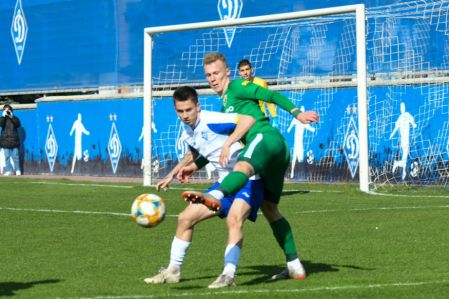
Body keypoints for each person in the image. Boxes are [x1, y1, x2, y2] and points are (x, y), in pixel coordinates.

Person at [183, 52, 319, 282]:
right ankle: (295, 266)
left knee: (243, 168)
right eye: (208, 75)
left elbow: (270, 95)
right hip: (273, 153)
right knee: (270, 208)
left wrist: (298, 114)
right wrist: (194, 166)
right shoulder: (224, 104)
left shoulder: (237, 87)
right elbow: (217, 148)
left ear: (227, 72)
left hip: (265, 138)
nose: (212, 78)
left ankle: (215, 195)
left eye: (216, 73)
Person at [144, 86, 264, 289]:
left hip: (249, 179)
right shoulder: (187, 129)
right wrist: (173, 174)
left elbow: (247, 120)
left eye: (189, 110)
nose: (185, 115)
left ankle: (228, 275)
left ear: (197, 106)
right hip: (224, 183)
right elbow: (194, 151)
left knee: (234, 219)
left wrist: (229, 143)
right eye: (180, 111)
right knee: (185, 218)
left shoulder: (212, 119)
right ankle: (173, 271)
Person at [238, 59, 279, 129]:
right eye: (242, 70)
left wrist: (275, 118)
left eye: (247, 69)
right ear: (239, 73)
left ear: (252, 70)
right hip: (245, 121)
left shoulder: (261, 83)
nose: (245, 73)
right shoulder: (237, 86)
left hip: (261, 119)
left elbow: (269, 101)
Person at [287, 105, 316, 178]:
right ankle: (292, 172)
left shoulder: (304, 122)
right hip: (296, 142)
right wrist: (289, 129)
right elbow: (290, 126)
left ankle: (300, 173)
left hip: (300, 143)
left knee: (300, 158)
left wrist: (313, 128)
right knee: (294, 157)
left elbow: (310, 128)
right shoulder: (296, 120)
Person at [390, 102, 416, 180]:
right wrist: (392, 134)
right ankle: (396, 163)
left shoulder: (407, 115)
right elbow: (396, 128)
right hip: (404, 139)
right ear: (400, 109)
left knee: (405, 157)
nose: (402, 108)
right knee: (405, 157)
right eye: (401, 107)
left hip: (405, 139)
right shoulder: (400, 117)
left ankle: (404, 173)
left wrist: (413, 124)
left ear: (404, 107)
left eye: (403, 107)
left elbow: (412, 120)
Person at [0, 104, 22, 176]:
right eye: (5, 110)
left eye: (8, 110)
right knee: (7, 157)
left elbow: (18, 125)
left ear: (11, 110)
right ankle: (8, 170)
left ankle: (17, 170)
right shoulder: (2, 118)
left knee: (15, 156)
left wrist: (11, 117)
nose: (7, 112)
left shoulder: (15, 118)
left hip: (14, 139)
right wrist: (3, 116)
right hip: (5, 140)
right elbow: (1, 124)